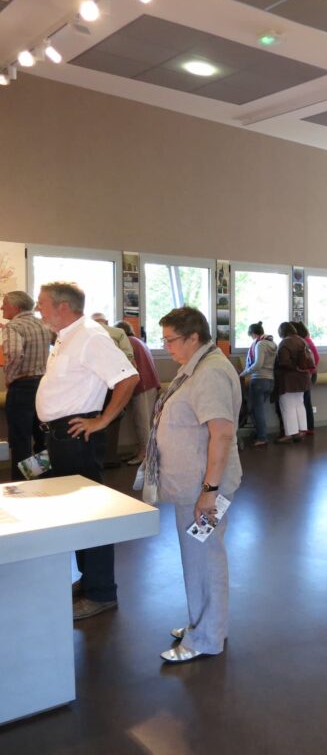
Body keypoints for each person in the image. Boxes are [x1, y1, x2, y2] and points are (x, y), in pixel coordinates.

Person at [35, 282, 138, 620]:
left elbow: (127, 377)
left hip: (77, 437)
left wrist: (103, 421)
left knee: (90, 516)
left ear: (63, 307)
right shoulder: (67, 336)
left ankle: (102, 591)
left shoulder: (92, 336)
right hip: (59, 438)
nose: (39, 310)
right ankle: (88, 579)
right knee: (73, 516)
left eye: (42, 304)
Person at [148, 307, 241, 663]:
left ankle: (205, 637)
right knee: (198, 556)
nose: (166, 347)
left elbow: (222, 433)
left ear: (193, 338)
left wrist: (209, 491)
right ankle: (206, 622)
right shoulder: (198, 367)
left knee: (204, 558)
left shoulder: (211, 373)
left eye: (171, 340)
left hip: (202, 490)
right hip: (193, 486)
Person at [1, 290, 51, 481]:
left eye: (4, 303)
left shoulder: (13, 326)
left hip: (22, 387)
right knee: (41, 437)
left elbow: (14, 354)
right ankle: (42, 477)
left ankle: (22, 484)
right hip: (43, 386)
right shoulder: (43, 324)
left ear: (15, 306)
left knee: (20, 439)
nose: (2, 307)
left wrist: (10, 377)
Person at [90, 312, 135, 467]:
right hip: (114, 384)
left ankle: (95, 457)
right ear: (107, 321)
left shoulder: (87, 333)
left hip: (93, 387)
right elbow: (128, 356)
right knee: (112, 420)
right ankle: (108, 457)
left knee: (93, 419)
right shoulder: (118, 332)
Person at [114, 321, 160, 466]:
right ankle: (142, 450)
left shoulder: (127, 343)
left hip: (143, 385)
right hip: (150, 384)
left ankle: (144, 455)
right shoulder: (138, 341)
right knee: (145, 421)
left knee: (142, 421)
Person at [239, 322, 276, 447]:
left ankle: (262, 437)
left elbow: (258, 364)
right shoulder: (272, 343)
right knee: (257, 409)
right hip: (270, 380)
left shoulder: (260, 344)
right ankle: (260, 433)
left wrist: (244, 373)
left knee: (257, 410)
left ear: (253, 333)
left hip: (259, 380)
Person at [274, 321, 310, 443]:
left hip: (288, 379)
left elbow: (284, 362)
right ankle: (301, 430)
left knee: (287, 406)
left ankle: (291, 432)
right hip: (303, 378)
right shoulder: (302, 340)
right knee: (299, 404)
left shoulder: (285, 343)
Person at [293, 321, 319, 435]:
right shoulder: (306, 341)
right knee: (305, 401)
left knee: (305, 401)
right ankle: (307, 427)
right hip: (309, 374)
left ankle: (307, 427)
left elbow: (316, 358)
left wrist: (306, 370)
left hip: (308, 375)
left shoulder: (305, 342)